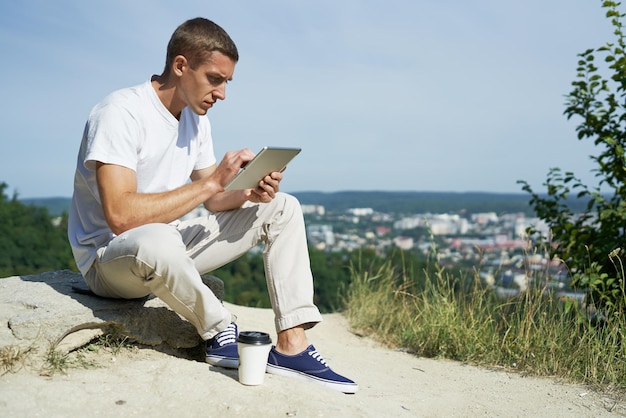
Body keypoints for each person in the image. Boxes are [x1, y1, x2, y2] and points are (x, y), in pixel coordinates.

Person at [67, 17, 358, 394]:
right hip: (111, 261)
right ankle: (221, 330)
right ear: (181, 66)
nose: (222, 93)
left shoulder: (194, 117)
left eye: (226, 82)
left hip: (168, 246)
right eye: (215, 79)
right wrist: (212, 182)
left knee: (283, 207)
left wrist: (247, 191)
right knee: (157, 240)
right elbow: (121, 217)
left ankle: (292, 346)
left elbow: (215, 198)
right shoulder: (119, 112)